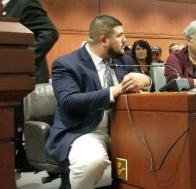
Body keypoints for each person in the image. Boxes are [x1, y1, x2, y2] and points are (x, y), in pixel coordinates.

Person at [45, 15, 151, 188]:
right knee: (90, 162)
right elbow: (69, 101)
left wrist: (146, 81)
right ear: (103, 40)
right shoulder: (66, 64)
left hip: (126, 129)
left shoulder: (124, 60)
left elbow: (143, 87)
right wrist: (114, 91)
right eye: (119, 35)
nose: (125, 40)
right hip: (85, 130)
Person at [0, 0, 59, 171]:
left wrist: (21, 58)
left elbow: (49, 33)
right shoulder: (4, 8)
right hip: (7, 80)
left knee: (16, 126)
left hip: (25, 78)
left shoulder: (26, 4)